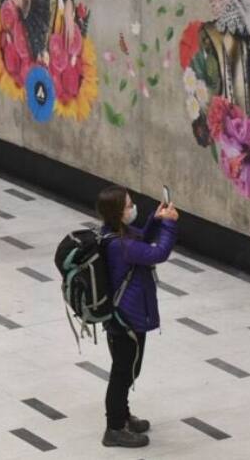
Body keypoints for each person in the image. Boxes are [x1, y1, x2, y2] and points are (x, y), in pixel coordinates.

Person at [95, 185, 179, 448]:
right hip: (126, 318)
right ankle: (114, 428)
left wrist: (155, 219)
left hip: (127, 314)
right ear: (119, 213)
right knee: (123, 372)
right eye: (129, 206)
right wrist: (170, 226)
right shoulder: (121, 245)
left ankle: (123, 415)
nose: (133, 209)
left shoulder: (115, 233)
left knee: (129, 368)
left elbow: (142, 238)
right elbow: (157, 253)